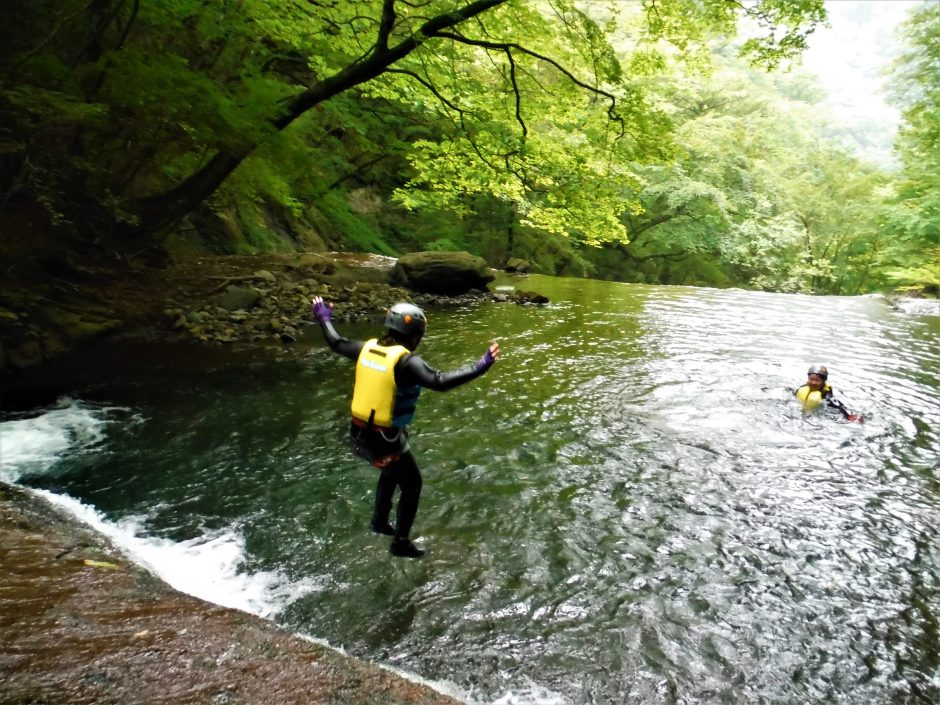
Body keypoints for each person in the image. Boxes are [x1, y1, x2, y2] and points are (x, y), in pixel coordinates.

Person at [311, 295, 500, 558]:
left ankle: (379, 521)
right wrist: (480, 366)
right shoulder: (406, 362)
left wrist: (324, 317)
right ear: (414, 336)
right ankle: (400, 541)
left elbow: (336, 341)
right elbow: (440, 381)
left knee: (391, 472)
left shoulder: (367, 349)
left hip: (358, 438)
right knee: (412, 483)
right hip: (382, 442)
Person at [795, 365, 862, 422]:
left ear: (823, 381)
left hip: (817, 418)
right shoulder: (803, 388)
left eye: (817, 380)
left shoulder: (825, 394)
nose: (813, 383)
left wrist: (850, 415)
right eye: (811, 379)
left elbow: (839, 405)